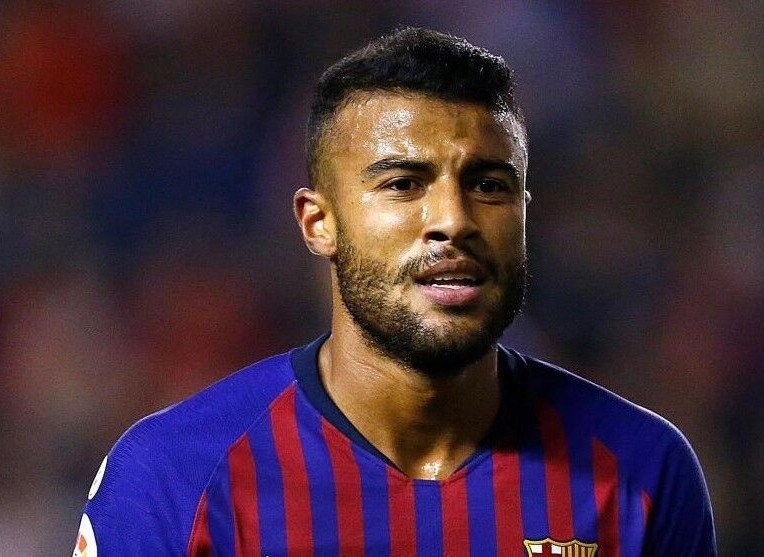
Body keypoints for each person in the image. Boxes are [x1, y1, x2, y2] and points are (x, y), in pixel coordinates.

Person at [73, 27, 715, 556]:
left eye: (488, 185)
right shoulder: (174, 475)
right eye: (404, 184)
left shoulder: (642, 470)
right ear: (318, 223)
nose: (454, 220)